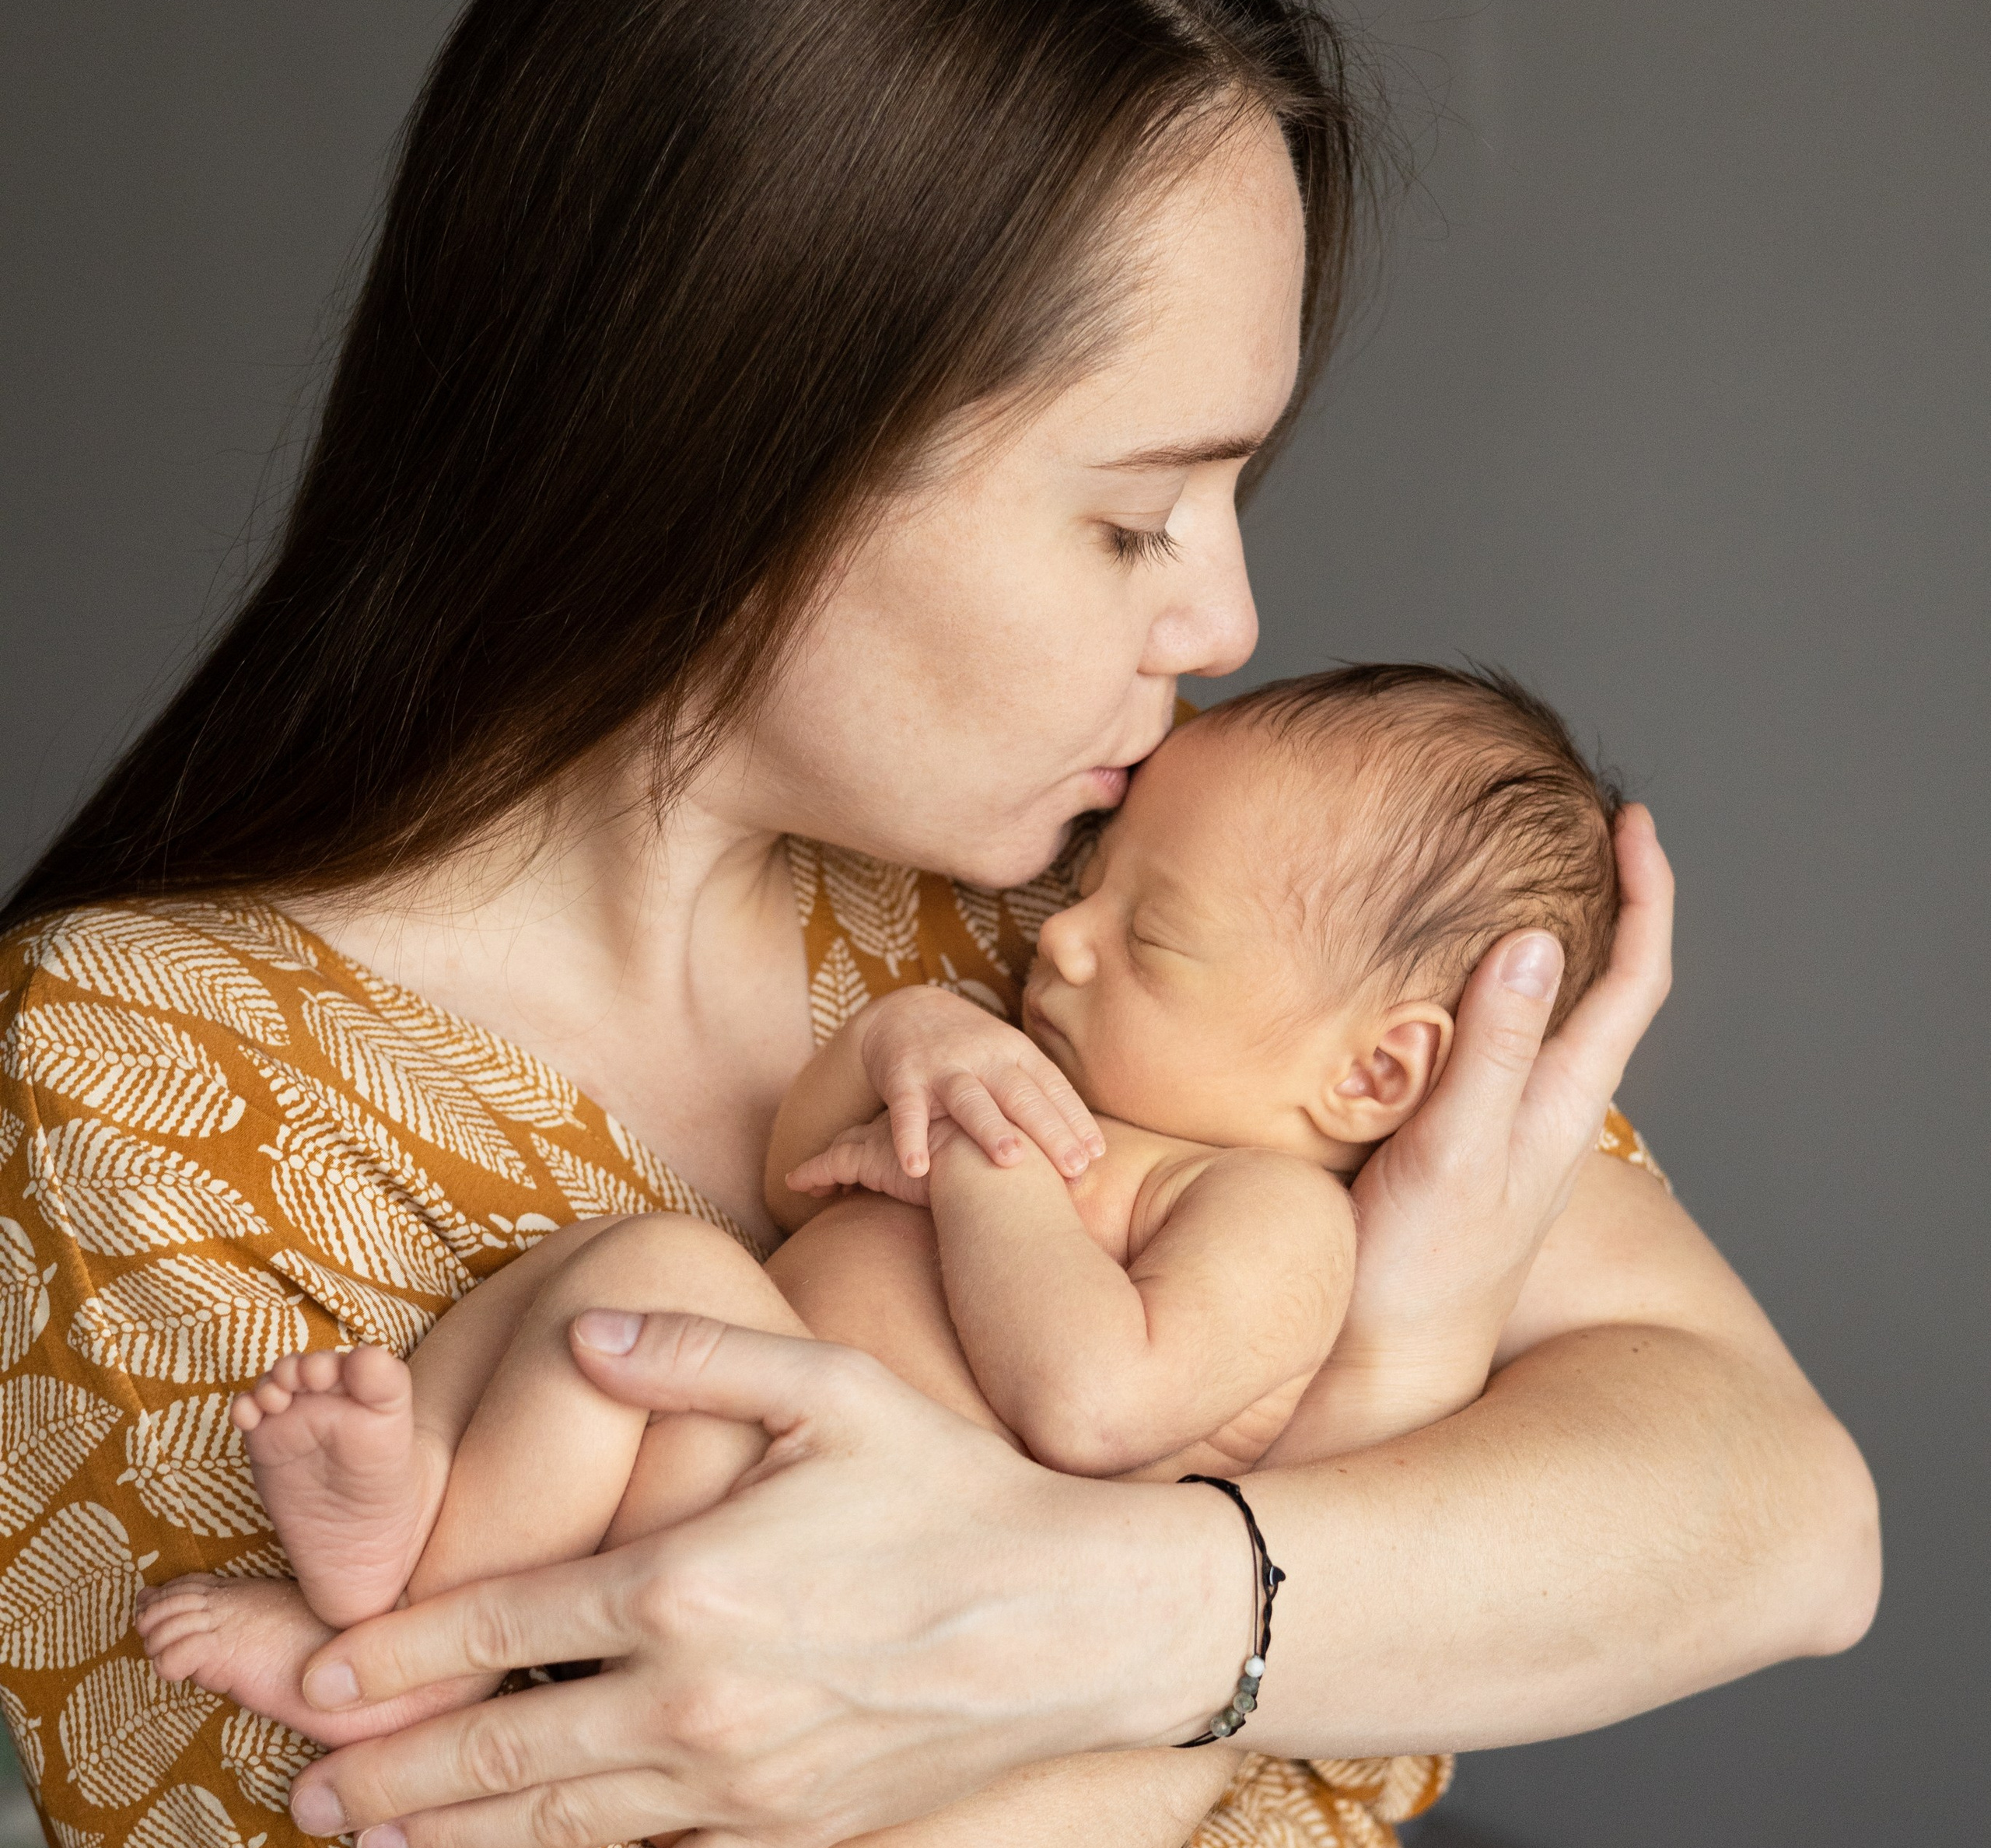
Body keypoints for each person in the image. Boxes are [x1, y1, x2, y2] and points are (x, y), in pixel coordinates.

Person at [0, 0, 1877, 1848]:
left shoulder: (1067, 890)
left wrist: (1102, 1598)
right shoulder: (141, 1074)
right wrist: (1371, 1433)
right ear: (740, 435)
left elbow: (1767, 1517)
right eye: (1134, 509)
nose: (1226, 618)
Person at [138, 663, 1631, 1752]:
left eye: (1154, 937)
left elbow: (1096, 1410)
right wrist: (899, 1044)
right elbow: (800, 1175)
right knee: (639, 1276)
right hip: (725, 1462)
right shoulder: (1056, 1088)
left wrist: (991, 1170)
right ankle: (408, 1528)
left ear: (1377, 1072)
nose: (1066, 947)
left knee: (664, 1304)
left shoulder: (1267, 1214)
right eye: (1090, 892)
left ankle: (400, 1648)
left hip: (845, 1568)